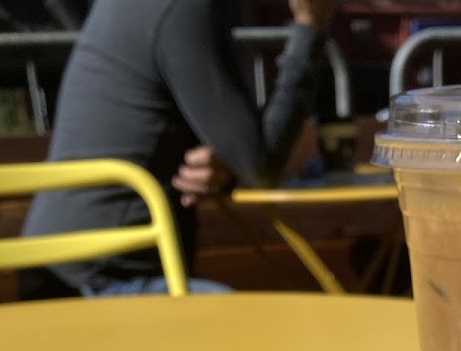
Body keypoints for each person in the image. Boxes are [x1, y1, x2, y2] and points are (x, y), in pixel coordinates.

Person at [20, 0, 334, 298]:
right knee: (245, 327)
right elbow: (261, 165)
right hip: (100, 279)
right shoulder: (182, 9)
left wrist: (224, 163)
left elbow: (152, 121)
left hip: (62, 267)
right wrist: (310, 27)